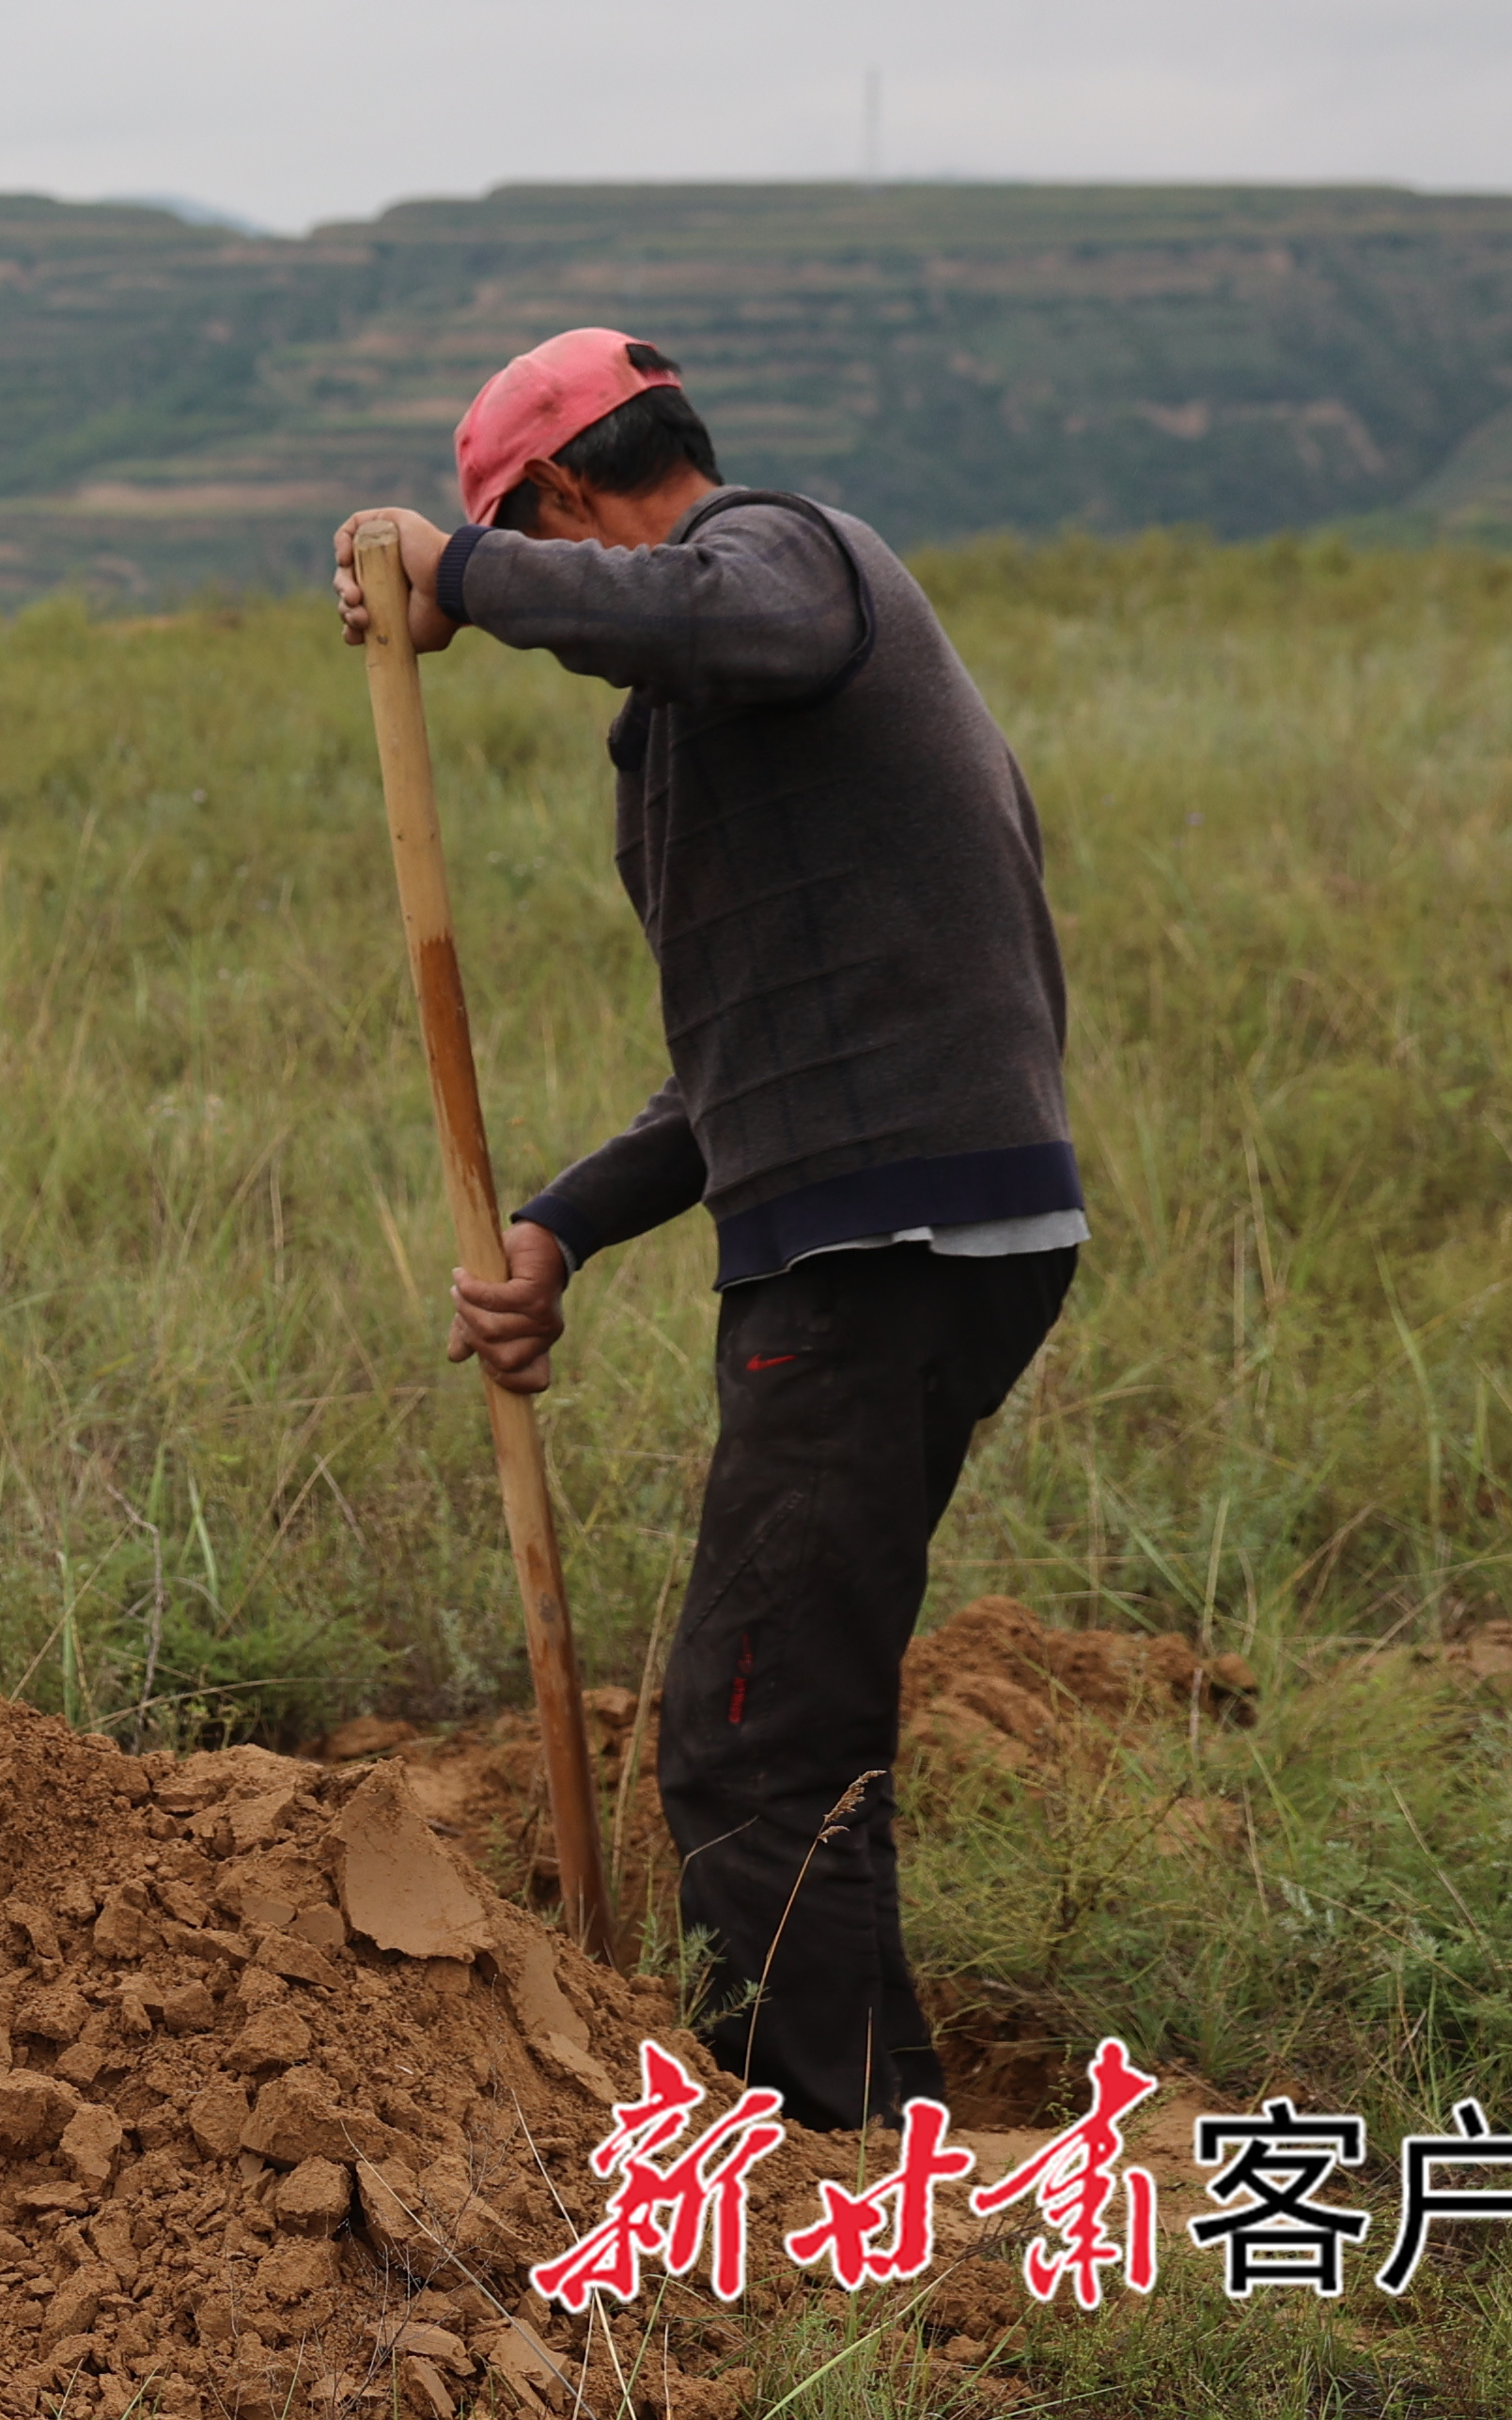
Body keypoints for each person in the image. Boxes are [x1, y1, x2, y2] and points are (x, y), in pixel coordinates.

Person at [332, 330, 1078, 2131]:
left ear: (574, 501)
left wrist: (460, 573)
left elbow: (716, 612)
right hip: (897, 1221)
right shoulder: (705, 725)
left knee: (747, 1731)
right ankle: (869, 2110)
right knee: (796, 1702)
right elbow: (736, 1074)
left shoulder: (796, 561)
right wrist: (560, 1232)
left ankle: (824, 2161)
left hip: (883, 1243)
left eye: (532, 540)